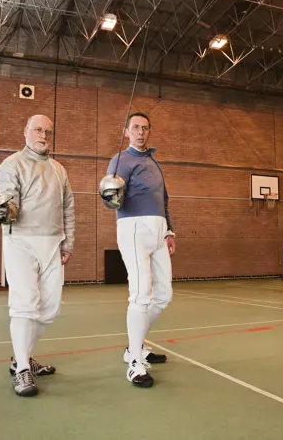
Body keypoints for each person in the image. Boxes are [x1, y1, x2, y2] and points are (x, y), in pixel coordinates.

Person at [0, 114, 75, 397]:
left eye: (48, 131)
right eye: (38, 130)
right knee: (24, 305)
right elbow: (9, 203)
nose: (43, 135)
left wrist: (68, 242)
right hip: (21, 241)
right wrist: (2, 210)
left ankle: (20, 357)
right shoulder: (11, 164)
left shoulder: (59, 169)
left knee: (50, 308)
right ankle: (22, 368)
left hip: (53, 242)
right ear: (26, 132)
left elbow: (68, 207)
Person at [100, 112, 175, 388]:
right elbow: (112, 200)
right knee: (141, 293)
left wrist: (169, 231)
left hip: (158, 231)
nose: (141, 132)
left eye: (145, 128)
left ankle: (136, 345)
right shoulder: (121, 160)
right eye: (135, 127)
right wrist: (110, 194)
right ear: (126, 131)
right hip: (133, 228)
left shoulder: (153, 161)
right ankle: (134, 362)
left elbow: (164, 199)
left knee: (163, 294)